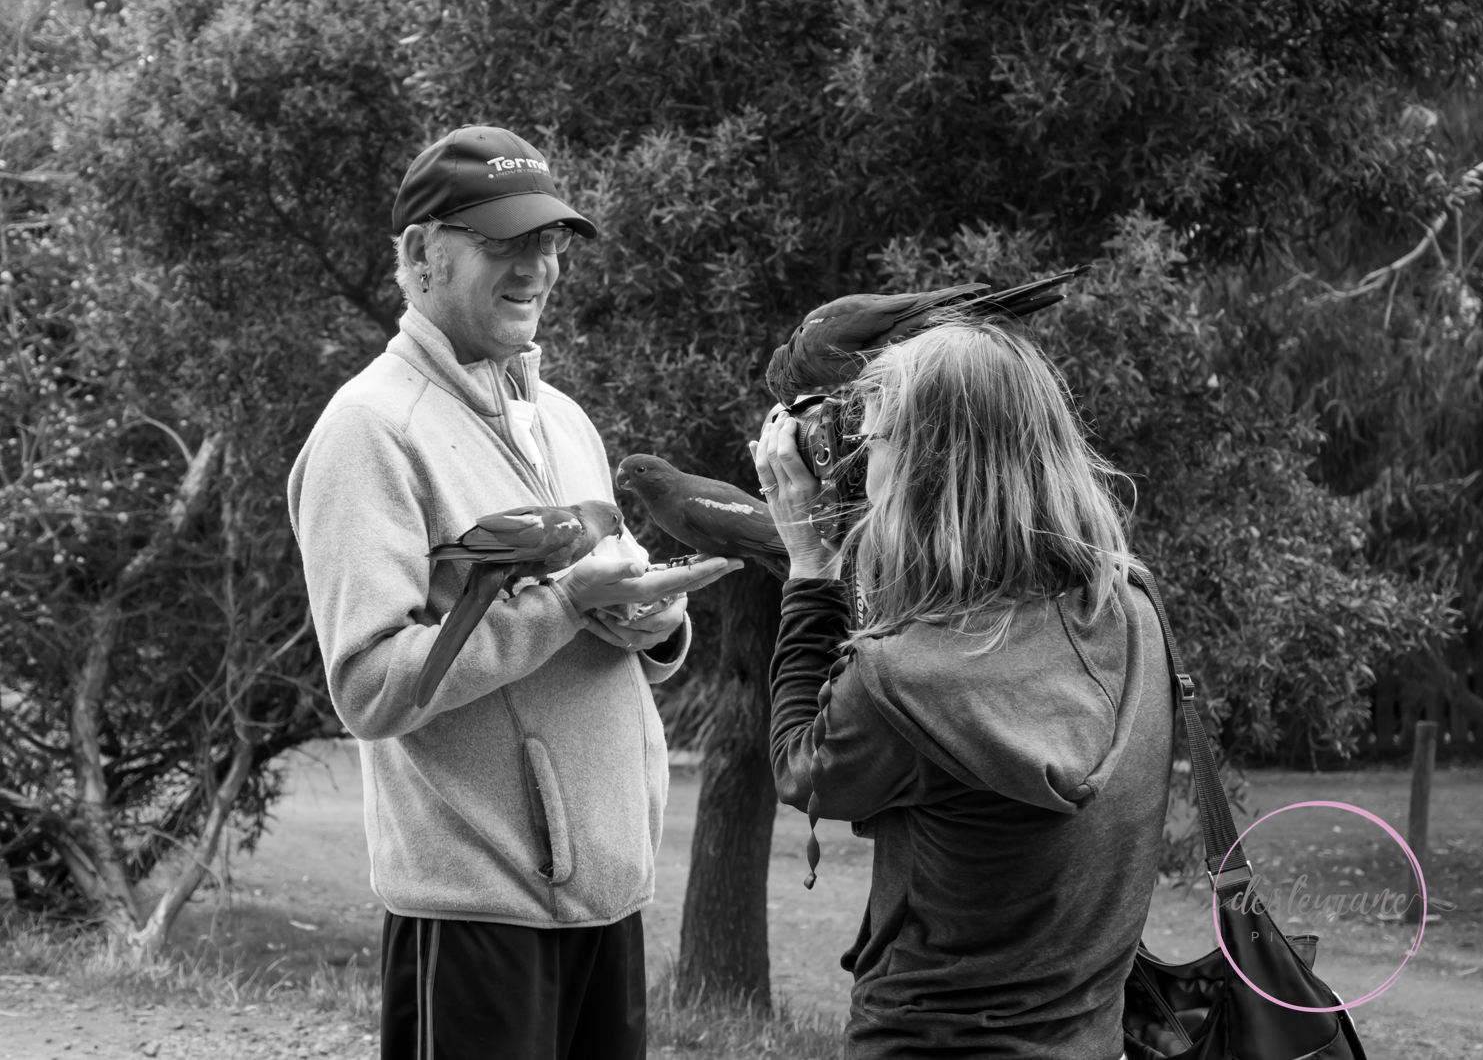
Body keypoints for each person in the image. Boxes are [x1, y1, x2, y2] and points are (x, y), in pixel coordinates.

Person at [288, 125, 739, 1060]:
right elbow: (370, 686)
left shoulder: (565, 420)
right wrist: (563, 603)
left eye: (551, 241)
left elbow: (586, 620)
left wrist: (650, 620)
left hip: (606, 900)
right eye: (505, 241)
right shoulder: (369, 431)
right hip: (475, 909)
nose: (538, 266)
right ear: (423, 254)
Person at [751, 317, 1174, 1059]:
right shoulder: (1132, 613)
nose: (863, 471)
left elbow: (801, 770)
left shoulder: (901, 680)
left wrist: (811, 570)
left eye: (874, 446)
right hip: (1089, 1039)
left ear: (922, 471)